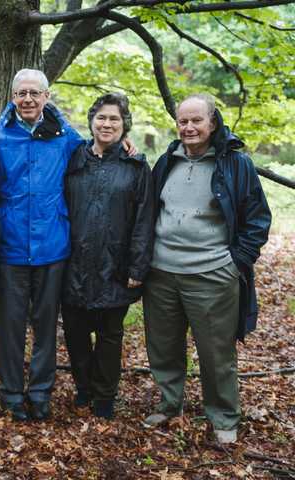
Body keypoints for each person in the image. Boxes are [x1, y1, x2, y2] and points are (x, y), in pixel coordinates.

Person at [143, 93, 271, 444]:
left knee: (216, 352)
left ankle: (223, 416)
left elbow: (257, 219)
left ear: (212, 123)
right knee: (164, 346)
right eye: (183, 121)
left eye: (196, 120)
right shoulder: (167, 161)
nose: (189, 127)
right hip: (162, 272)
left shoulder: (235, 164)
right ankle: (170, 404)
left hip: (213, 274)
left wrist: (236, 263)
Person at [0, 69, 84, 422]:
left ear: (46, 97)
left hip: (52, 246)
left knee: (44, 325)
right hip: (10, 248)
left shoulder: (65, 137)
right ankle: (11, 392)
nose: (27, 99)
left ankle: (40, 392)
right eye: (21, 93)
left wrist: (124, 144)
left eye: (34, 93)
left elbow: (96, 156)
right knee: (10, 326)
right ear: (12, 97)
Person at [61, 92, 154, 419]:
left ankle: (105, 394)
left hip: (115, 265)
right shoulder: (73, 160)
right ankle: (83, 387)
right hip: (72, 263)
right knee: (74, 332)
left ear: (124, 125)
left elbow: (145, 219)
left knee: (110, 336)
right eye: (101, 117)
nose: (107, 123)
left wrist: (138, 266)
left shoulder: (136, 166)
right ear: (91, 121)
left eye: (114, 119)